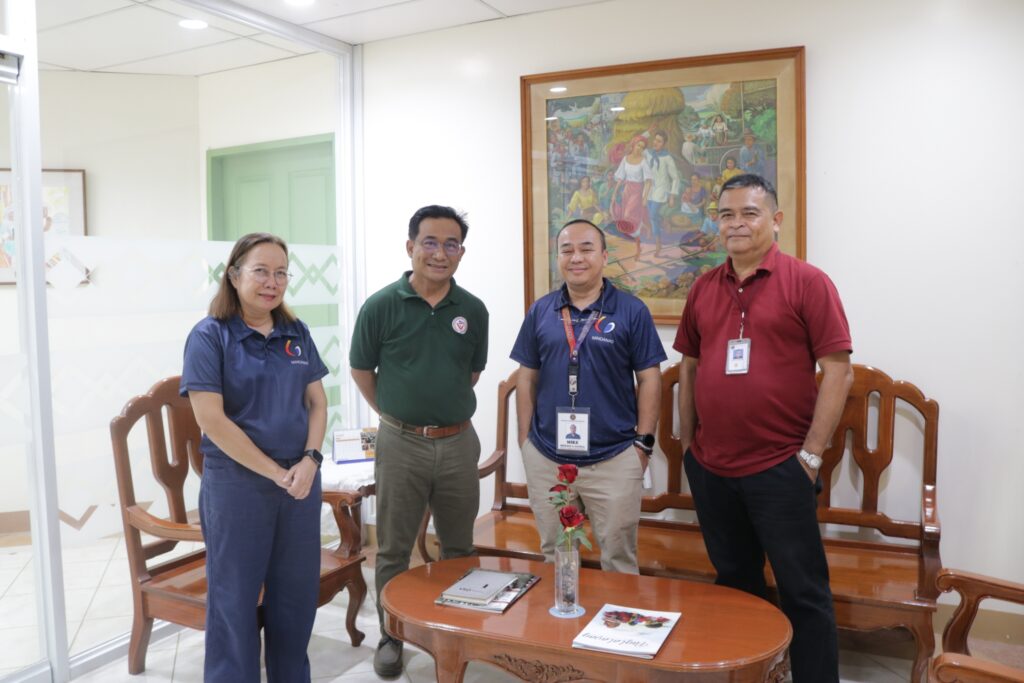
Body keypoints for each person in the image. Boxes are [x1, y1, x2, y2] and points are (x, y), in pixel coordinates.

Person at [673, 174, 853, 682]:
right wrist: (688, 447)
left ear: (775, 220)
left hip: (781, 469)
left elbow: (839, 371)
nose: (736, 223)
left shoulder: (808, 282)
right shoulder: (704, 287)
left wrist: (810, 456)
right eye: (726, 214)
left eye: (749, 213)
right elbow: (689, 365)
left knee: (804, 592)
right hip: (713, 469)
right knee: (735, 587)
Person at [180, 233, 329, 683]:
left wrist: (311, 460)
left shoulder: (295, 333)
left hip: (299, 482)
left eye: (281, 272)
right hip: (237, 486)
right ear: (233, 275)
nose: (272, 282)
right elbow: (211, 420)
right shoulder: (210, 336)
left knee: (295, 599)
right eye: (261, 271)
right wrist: (277, 473)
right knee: (235, 601)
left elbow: (317, 403)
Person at [349, 205, 488, 678]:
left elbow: (471, 374)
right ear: (410, 247)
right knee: (393, 548)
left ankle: (457, 632)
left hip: (457, 443)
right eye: (430, 242)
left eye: (451, 244)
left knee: (459, 546)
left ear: (461, 252)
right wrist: (396, 414)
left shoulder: (473, 310)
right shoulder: (380, 306)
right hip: (399, 443)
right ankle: (391, 635)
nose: (440, 253)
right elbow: (362, 370)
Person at [512, 219, 666, 573]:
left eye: (586, 249)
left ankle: (617, 613)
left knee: (618, 560)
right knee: (557, 557)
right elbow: (527, 377)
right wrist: (525, 442)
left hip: (614, 458)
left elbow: (649, 379)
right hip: (549, 458)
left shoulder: (631, 311)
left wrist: (643, 444)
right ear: (558, 258)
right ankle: (563, 612)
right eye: (567, 250)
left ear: (604, 256)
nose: (576, 257)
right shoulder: (541, 311)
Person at [610, 136, 653, 259]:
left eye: (642, 147)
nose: (639, 148)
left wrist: (644, 198)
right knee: (626, 220)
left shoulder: (643, 161)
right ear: (633, 144)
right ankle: (636, 248)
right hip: (627, 190)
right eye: (638, 145)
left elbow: (648, 181)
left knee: (629, 216)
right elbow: (620, 178)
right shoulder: (625, 159)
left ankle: (639, 241)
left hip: (637, 192)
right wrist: (614, 193)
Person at [644, 129, 681, 257]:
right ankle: (664, 220)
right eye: (655, 140)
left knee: (653, 215)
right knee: (651, 216)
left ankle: (658, 244)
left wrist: (672, 196)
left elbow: (675, 178)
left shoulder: (667, 158)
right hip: (649, 190)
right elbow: (636, 143)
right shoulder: (647, 153)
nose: (656, 143)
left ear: (664, 144)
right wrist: (648, 132)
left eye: (659, 141)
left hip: (661, 190)